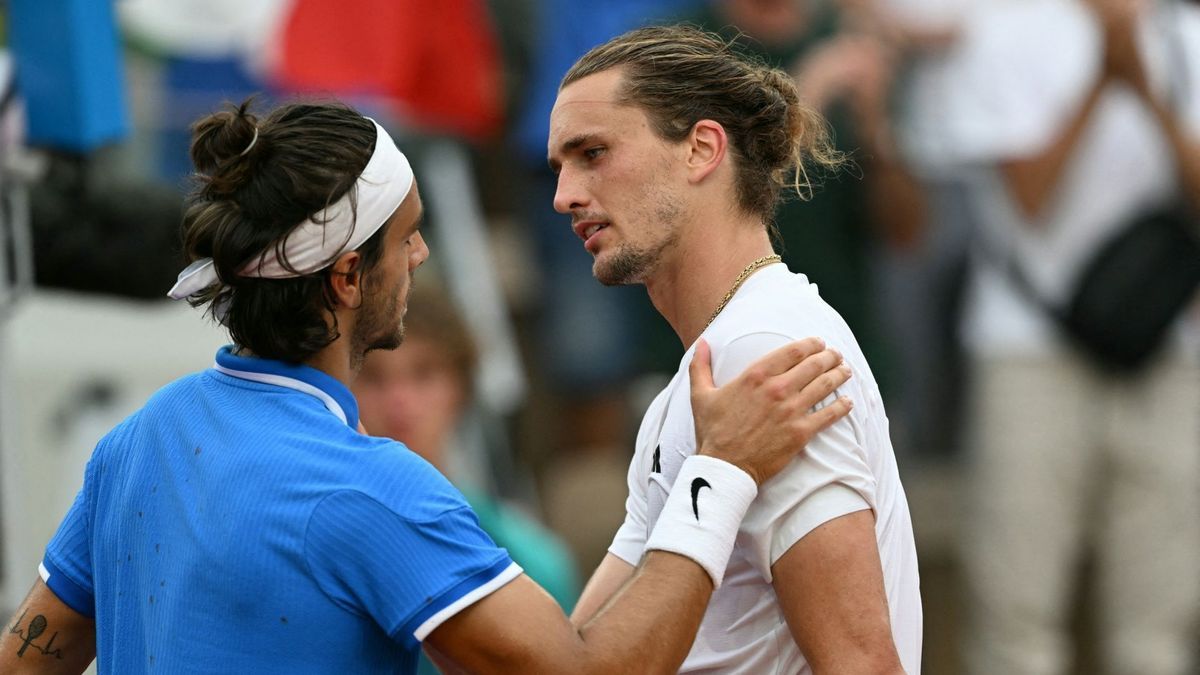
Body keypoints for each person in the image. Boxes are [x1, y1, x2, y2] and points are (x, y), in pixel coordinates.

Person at [0, 99, 855, 674]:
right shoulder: (374, 489)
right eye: (407, 238)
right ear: (344, 278)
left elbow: (28, 656)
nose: (421, 256)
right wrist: (719, 471)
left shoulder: (144, 437)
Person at [549, 25, 922, 674]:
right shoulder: (705, 372)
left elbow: (862, 662)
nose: (565, 196)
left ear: (700, 149)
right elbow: (580, 659)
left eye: (593, 153)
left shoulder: (764, 350)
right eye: (561, 166)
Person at [914, 0, 1200, 672]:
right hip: (1027, 350)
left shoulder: (1188, 38)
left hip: (1171, 353)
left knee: (1156, 630)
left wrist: (1148, 90)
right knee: (1016, 621)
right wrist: (1105, 77)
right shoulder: (1003, 31)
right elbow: (1032, 198)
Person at [353, 283, 580, 613]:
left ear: (460, 388)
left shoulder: (531, 558)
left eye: (424, 373)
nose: (399, 402)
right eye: (373, 377)